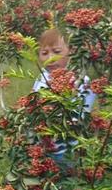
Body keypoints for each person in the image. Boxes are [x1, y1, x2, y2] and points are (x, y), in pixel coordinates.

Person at [32, 28, 95, 162]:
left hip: (69, 150)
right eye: (44, 53)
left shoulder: (81, 82)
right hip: (43, 149)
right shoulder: (42, 76)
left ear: (71, 51)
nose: (51, 58)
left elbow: (82, 118)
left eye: (57, 52)